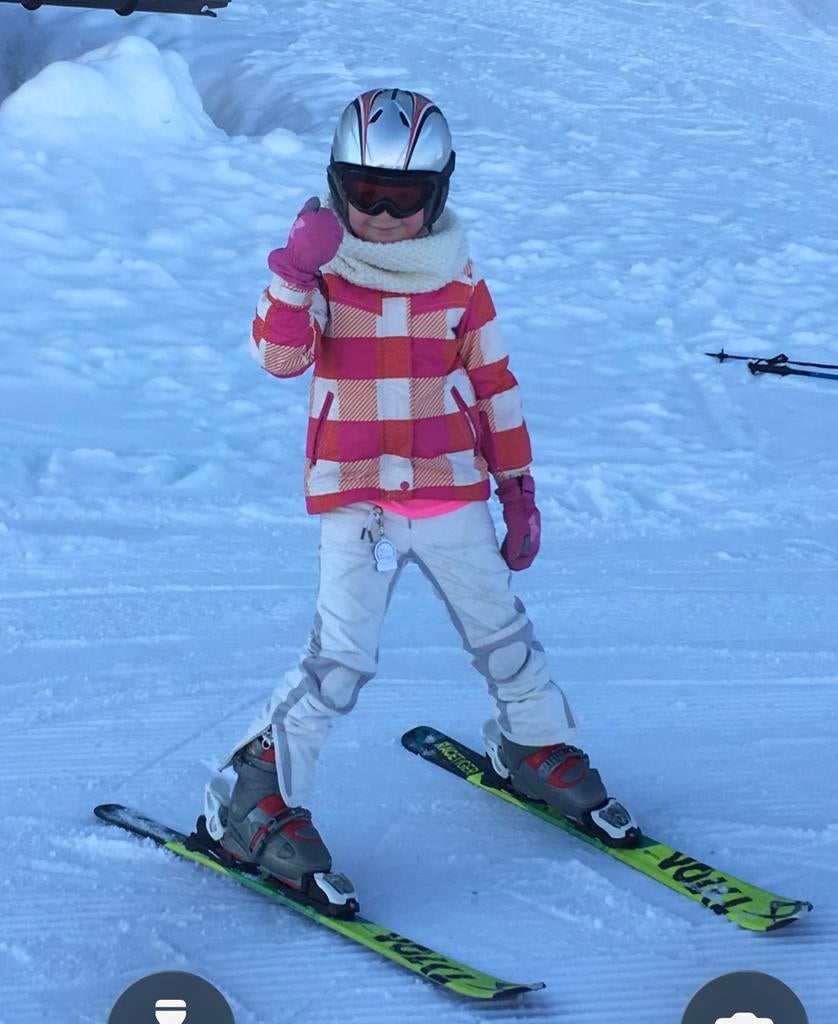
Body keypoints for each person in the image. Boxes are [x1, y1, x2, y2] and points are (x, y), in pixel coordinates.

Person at [201, 88, 638, 913]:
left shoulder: (458, 278)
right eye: (364, 192)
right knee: (341, 660)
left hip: (448, 485)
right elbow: (278, 357)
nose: (381, 214)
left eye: (402, 199)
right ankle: (251, 789)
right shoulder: (324, 273)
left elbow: (494, 384)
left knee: (499, 627)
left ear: (436, 195)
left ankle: (534, 746)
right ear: (336, 186)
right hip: (356, 498)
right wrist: (293, 273)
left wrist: (517, 487)